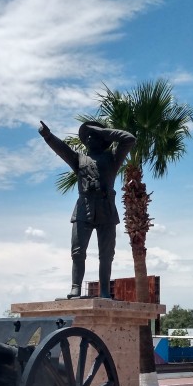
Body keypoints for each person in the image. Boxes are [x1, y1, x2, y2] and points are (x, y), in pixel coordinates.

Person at [39, 120, 136, 299]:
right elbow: (62, 149)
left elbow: (129, 139)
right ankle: (76, 287)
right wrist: (48, 136)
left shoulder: (113, 158)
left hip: (106, 209)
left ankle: (105, 290)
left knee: (106, 254)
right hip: (84, 208)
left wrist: (104, 131)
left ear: (102, 139)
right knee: (77, 251)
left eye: (94, 135)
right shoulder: (79, 159)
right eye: (87, 135)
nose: (90, 137)